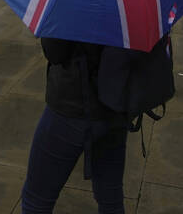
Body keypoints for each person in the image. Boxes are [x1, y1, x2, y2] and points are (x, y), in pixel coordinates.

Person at [20, 38, 129, 213]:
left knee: (36, 200)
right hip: (115, 107)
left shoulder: (70, 8)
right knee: (111, 198)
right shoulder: (131, 10)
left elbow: (55, 53)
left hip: (71, 107)